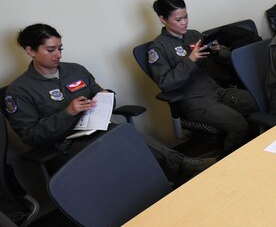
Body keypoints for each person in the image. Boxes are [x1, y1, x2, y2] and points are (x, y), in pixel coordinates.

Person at [4, 23, 211, 179]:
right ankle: (180, 168)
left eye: (60, 48)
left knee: (125, 134)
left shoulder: (75, 70)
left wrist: (105, 95)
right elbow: (30, 135)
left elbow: (98, 93)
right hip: (65, 144)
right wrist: (68, 113)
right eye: (51, 50)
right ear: (30, 51)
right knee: (119, 142)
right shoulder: (19, 90)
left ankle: (173, 175)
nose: (58, 55)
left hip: (98, 128)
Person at [148, 0, 258, 155]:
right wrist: (190, 60)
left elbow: (226, 60)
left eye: (186, 17)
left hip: (216, 90)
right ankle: (225, 161)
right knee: (239, 125)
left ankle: (255, 149)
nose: (184, 22)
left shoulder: (194, 35)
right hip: (195, 101)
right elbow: (165, 83)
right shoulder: (158, 48)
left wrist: (218, 51)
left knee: (260, 101)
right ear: (163, 19)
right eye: (178, 19)